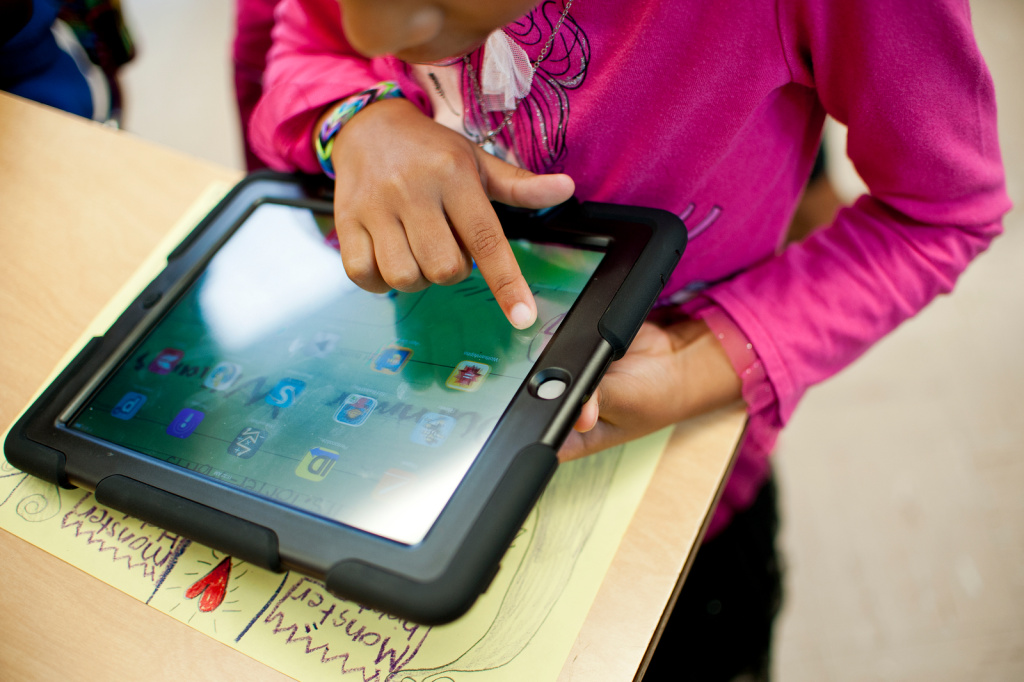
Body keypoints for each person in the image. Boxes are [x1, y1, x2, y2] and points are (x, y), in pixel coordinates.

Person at [247, 0, 1010, 678]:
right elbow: (304, 40)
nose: (376, 26)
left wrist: (703, 361)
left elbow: (940, 214)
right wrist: (357, 120)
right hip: (411, 440)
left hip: (672, 497)